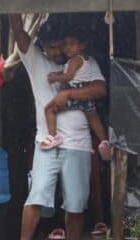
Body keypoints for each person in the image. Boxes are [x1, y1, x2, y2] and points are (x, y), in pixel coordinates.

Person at [7, 14, 107, 240]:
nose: (59, 51)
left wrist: (69, 94)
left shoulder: (86, 63)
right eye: (52, 46)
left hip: (79, 144)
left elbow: (100, 90)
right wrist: (11, 9)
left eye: (63, 45)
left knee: (75, 203)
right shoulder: (37, 62)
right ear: (43, 47)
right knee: (37, 195)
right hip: (47, 144)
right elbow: (19, 32)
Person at [43, 28, 109, 159]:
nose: (67, 48)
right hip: (85, 93)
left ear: (82, 46)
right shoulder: (84, 60)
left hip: (75, 91)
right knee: (93, 118)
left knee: (49, 109)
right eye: (65, 45)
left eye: (71, 44)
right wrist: (58, 74)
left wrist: (55, 78)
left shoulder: (75, 60)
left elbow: (68, 76)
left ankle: (52, 137)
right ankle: (104, 141)